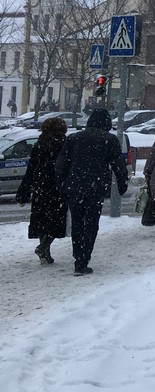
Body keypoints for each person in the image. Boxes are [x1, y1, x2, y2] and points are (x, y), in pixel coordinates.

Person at [54, 108, 128, 276]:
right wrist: (122, 184)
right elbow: (118, 165)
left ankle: (78, 254)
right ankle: (84, 258)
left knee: (78, 223)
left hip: (75, 187)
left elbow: (60, 165)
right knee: (91, 223)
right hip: (96, 188)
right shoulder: (109, 140)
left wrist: (62, 184)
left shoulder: (74, 138)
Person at [15, 116, 69, 265]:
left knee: (42, 221)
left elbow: (31, 169)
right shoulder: (64, 144)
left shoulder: (40, 144)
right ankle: (44, 246)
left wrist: (24, 190)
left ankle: (44, 252)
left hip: (41, 188)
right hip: (57, 188)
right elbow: (67, 166)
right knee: (56, 221)